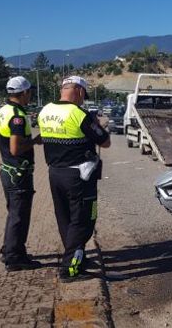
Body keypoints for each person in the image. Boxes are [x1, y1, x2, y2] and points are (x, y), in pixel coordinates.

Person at [38, 76, 111, 282]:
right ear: (78, 91)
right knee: (85, 219)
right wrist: (97, 124)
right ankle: (70, 268)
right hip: (79, 177)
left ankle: (78, 256)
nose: (83, 100)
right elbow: (105, 142)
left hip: (55, 173)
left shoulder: (45, 111)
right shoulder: (80, 114)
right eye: (83, 96)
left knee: (65, 219)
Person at [0, 76, 43, 271]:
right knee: (19, 216)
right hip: (18, 172)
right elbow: (15, 148)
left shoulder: (2, 111)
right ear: (24, 93)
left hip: (8, 170)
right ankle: (14, 258)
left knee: (13, 214)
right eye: (29, 92)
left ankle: (9, 250)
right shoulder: (17, 116)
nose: (30, 95)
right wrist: (35, 141)